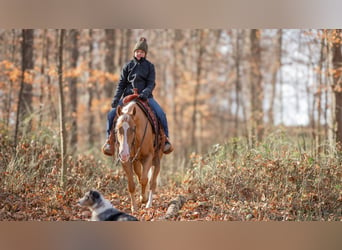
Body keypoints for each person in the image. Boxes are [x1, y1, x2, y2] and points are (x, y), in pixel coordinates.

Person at [102, 37, 173, 156]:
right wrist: (116, 98)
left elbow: (151, 83)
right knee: (111, 114)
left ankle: (165, 139)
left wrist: (145, 93)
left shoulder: (150, 66)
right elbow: (121, 84)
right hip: (128, 97)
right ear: (134, 52)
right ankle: (109, 141)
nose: (139, 53)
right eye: (137, 51)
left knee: (161, 113)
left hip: (146, 97)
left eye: (142, 52)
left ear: (145, 54)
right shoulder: (127, 66)